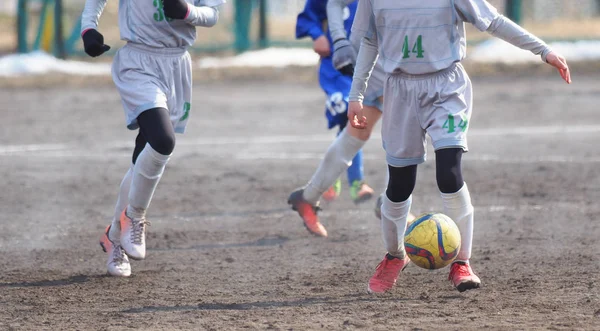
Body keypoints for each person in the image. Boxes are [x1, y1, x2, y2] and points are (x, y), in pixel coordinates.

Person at [348, 0, 571, 293]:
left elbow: (493, 21)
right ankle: (395, 256)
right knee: (400, 184)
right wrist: (356, 94)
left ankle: (461, 263)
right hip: (399, 89)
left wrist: (543, 50)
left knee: (449, 174)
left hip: (446, 87)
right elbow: (367, 39)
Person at [80, 0, 225, 277]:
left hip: (177, 64)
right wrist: (89, 28)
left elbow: (212, 14)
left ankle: (114, 236)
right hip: (139, 61)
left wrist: (187, 12)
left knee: (144, 152)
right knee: (163, 140)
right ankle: (133, 215)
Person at [290, 0, 407, 238]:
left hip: (383, 54)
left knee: (358, 132)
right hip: (377, 57)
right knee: (406, 128)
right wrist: (339, 39)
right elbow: (334, 3)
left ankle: (308, 197)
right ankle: (392, 205)